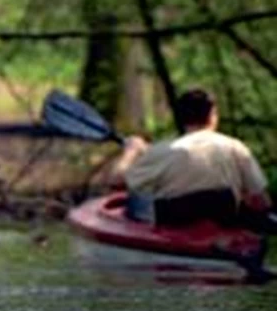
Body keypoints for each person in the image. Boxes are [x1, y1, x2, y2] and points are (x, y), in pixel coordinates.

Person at [115, 88, 274, 230]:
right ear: (212, 116)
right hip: (222, 234)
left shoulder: (161, 152)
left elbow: (116, 182)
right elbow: (261, 202)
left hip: (172, 234)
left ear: (181, 117)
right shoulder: (235, 147)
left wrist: (131, 151)